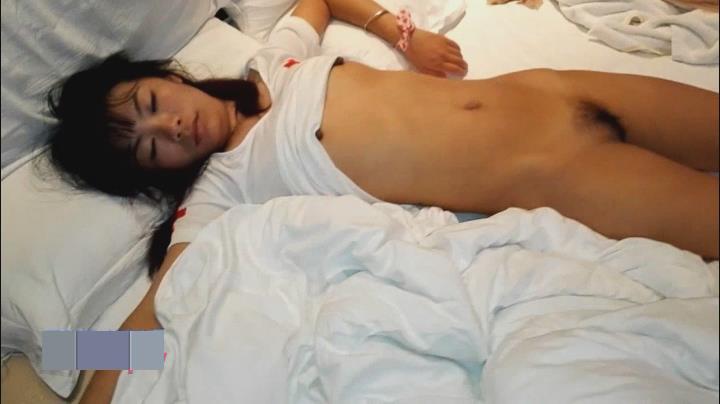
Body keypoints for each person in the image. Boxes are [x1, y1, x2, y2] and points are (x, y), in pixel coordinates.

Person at [45, 0, 716, 401]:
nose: (170, 127)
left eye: (151, 103)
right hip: (564, 175)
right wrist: (61, 354)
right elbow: (152, 313)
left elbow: (319, 0)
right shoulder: (224, 188)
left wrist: (402, 33)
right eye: (149, 149)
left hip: (555, 89)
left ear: (167, 76)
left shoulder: (270, 62)